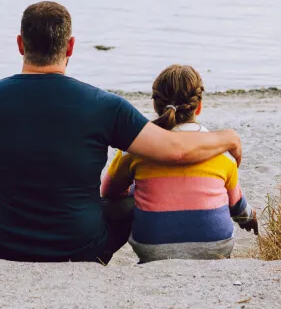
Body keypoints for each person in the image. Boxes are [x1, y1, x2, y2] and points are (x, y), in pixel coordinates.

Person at [0, 1, 242, 264]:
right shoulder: (104, 105)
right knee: (128, 204)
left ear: (20, 44)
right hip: (81, 248)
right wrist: (228, 137)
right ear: (70, 47)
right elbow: (176, 149)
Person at [101, 65, 256, 262]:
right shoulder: (223, 151)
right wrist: (250, 217)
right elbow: (236, 204)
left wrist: (137, 190)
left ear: (156, 106)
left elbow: (109, 192)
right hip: (217, 245)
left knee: (130, 192)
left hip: (151, 247)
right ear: (198, 106)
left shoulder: (136, 149)